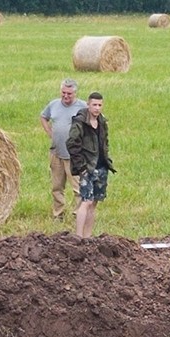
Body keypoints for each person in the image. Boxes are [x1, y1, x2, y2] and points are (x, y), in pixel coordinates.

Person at [67, 91, 114, 238]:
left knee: (94, 202)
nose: (97, 108)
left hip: (101, 166)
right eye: (94, 105)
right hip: (87, 168)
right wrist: (82, 168)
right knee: (85, 201)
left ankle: (88, 236)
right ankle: (79, 236)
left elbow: (105, 142)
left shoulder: (102, 122)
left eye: (100, 105)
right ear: (88, 105)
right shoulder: (80, 122)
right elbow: (72, 144)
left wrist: (107, 161)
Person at [40, 79, 87, 221]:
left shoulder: (83, 107)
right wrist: (50, 133)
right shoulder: (53, 105)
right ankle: (58, 213)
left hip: (74, 155)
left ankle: (77, 215)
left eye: (69, 94)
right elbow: (43, 117)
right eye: (63, 93)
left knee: (78, 188)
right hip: (56, 152)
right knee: (56, 187)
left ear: (75, 93)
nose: (66, 96)